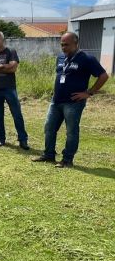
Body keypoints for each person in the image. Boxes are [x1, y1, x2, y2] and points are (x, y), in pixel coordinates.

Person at [33, 32, 108, 168]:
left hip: (73, 103)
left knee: (71, 131)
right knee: (49, 127)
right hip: (56, 101)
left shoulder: (87, 59)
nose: (63, 47)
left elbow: (103, 76)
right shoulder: (61, 57)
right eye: (62, 44)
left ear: (76, 43)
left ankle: (67, 160)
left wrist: (89, 92)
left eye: (66, 45)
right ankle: (49, 155)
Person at [0, 31, 29, 150]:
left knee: (17, 114)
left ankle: (23, 140)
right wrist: (2, 66)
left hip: (9, 89)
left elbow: (13, 68)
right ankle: (0, 139)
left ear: (3, 40)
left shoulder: (11, 52)